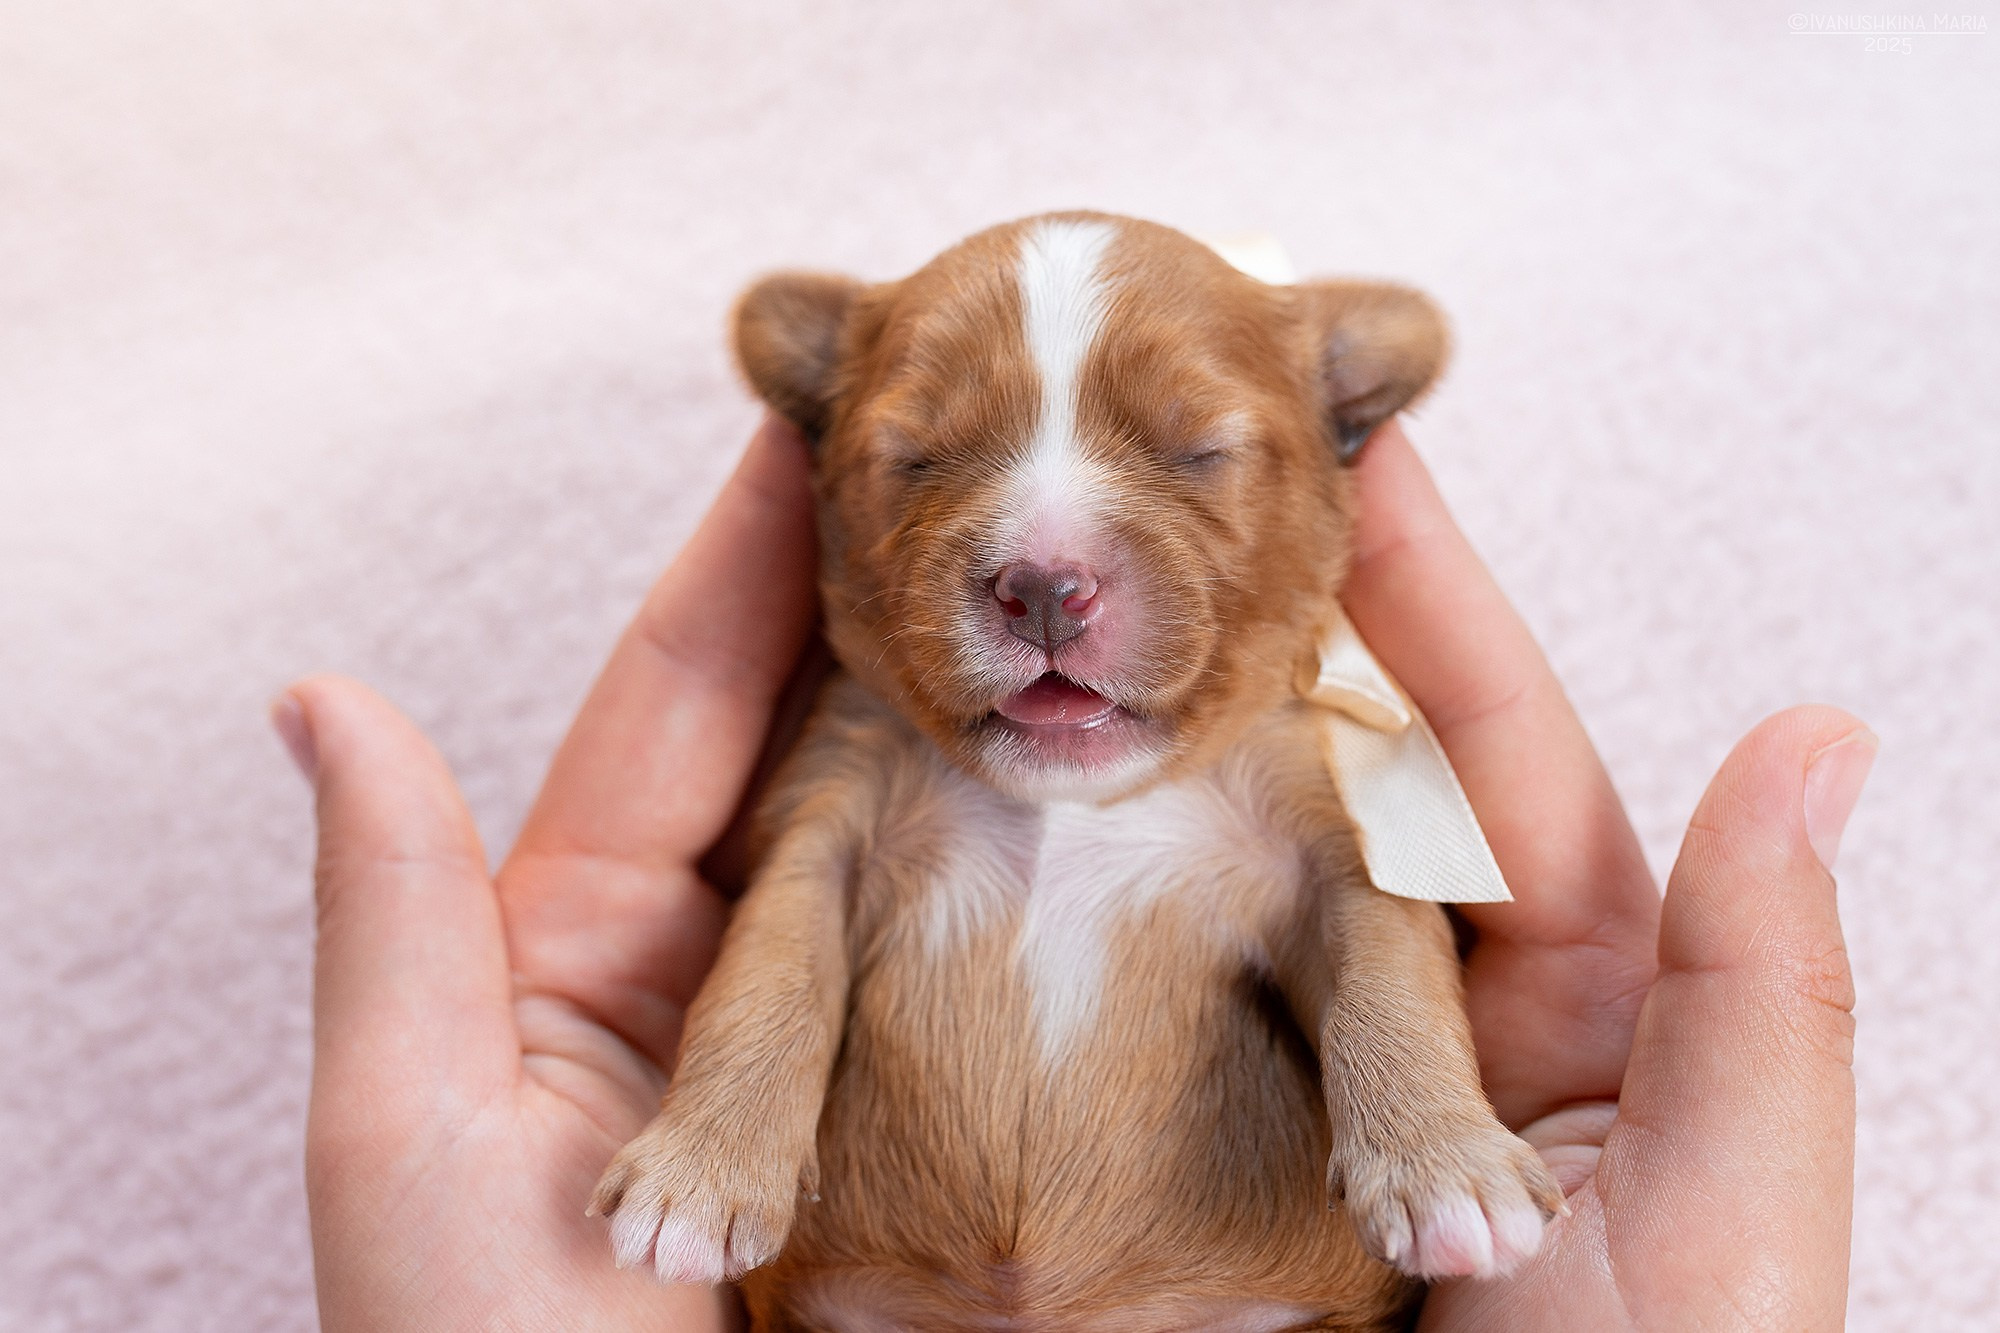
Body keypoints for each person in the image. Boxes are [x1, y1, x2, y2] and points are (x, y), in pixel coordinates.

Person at [276, 416, 1869, 1331]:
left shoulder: (1302, 728)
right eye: (927, 458)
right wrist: (718, 1125)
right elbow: (799, 911)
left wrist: (1432, 1125)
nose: (1049, 565)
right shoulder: (867, 728)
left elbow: (1356, 909)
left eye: (1183, 452)